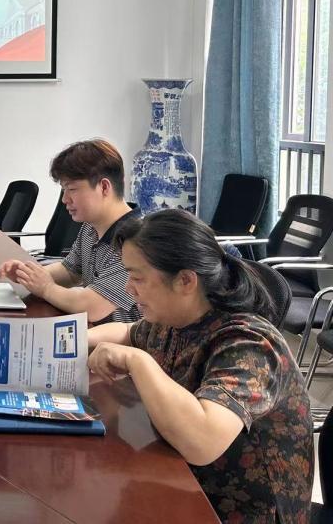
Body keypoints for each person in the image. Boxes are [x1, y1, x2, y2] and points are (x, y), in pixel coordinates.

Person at [88, 209, 312, 524]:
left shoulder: (250, 343)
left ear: (185, 280)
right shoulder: (177, 317)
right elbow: (128, 332)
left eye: (137, 277)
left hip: (239, 511)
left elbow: (203, 442)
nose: (128, 288)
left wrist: (138, 361)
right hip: (186, 480)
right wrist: (75, 342)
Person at [0, 139, 140, 323]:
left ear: (104, 187)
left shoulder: (135, 240)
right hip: (91, 330)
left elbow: (92, 306)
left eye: (72, 189)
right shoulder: (90, 227)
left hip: (119, 339)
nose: (65, 199)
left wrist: (46, 288)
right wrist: (29, 274)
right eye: (64, 190)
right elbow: (70, 271)